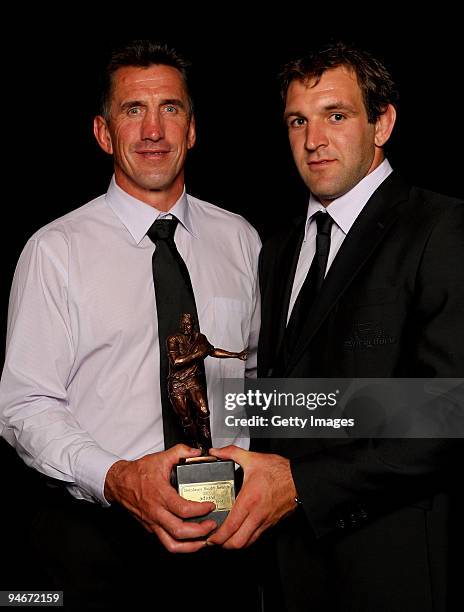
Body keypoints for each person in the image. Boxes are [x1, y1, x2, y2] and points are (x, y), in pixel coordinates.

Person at [0, 40, 260, 609]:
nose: (153, 130)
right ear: (103, 132)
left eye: (170, 108)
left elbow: (253, 379)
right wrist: (117, 479)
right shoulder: (56, 250)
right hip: (98, 544)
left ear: (192, 129)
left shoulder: (241, 240)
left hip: (228, 542)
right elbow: (26, 406)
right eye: (132, 110)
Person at [207, 42, 464, 611]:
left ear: (383, 123)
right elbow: (281, 397)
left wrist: (298, 483)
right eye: (298, 120)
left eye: (336, 115)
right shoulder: (276, 250)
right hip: (281, 568)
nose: (313, 139)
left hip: (389, 570)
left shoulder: (440, 228)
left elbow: (448, 410)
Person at [167, 312, 247, 450]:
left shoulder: (200, 338)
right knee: (186, 418)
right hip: (176, 383)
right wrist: (196, 354)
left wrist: (236, 355)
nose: (187, 327)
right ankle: (195, 443)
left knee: (204, 411)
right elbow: (175, 361)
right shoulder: (173, 339)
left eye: (189, 324)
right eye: (184, 324)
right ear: (180, 324)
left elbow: (212, 351)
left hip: (192, 380)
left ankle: (204, 435)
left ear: (194, 325)